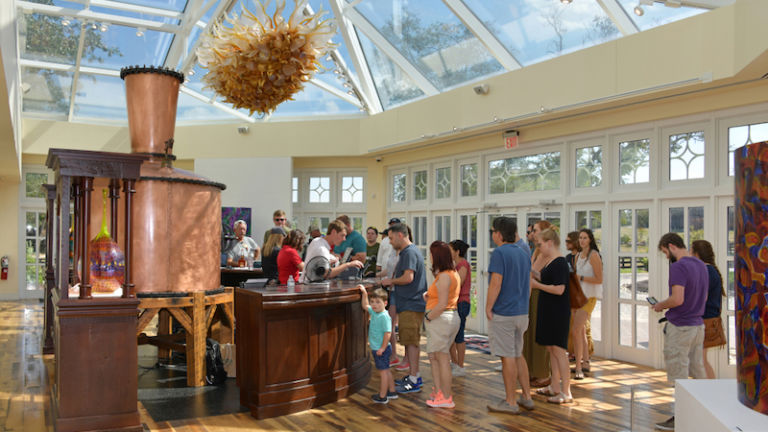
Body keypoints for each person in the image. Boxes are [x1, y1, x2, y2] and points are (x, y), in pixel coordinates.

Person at [653, 233, 708, 431]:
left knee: (680, 375)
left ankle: (682, 419)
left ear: (671, 246)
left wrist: (661, 305)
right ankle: (706, 413)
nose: (667, 257)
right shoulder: (701, 265)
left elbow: (677, 299)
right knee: (698, 370)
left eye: (666, 253)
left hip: (681, 327)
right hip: (697, 326)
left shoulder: (678, 267)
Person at [486, 217, 534, 415]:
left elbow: (496, 282)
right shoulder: (524, 253)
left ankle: (510, 401)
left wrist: (488, 307)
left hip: (504, 314)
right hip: (521, 313)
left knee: (508, 358)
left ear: (498, 233)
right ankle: (527, 397)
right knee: (517, 354)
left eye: (492, 232)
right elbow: (529, 283)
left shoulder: (499, 253)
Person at [381, 223, 427, 394]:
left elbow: (408, 277)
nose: (390, 243)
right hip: (409, 303)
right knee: (409, 341)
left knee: (412, 342)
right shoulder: (409, 251)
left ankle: (414, 378)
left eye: (392, 239)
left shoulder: (408, 252)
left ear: (400, 235)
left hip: (411, 303)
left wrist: (390, 281)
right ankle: (414, 375)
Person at [532, 228, 572, 404]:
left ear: (550, 243)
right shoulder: (551, 262)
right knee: (551, 349)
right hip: (549, 309)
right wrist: (535, 275)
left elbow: (559, 289)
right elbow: (548, 280)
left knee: (559, 351)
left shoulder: (560, 262)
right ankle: (555, 385)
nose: (539, 248)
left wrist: (536, 285)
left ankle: (566, 391)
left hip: (558, 312)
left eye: (540, 244)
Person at [423, 241, 461, 408]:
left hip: (441, 320)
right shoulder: (450, 274)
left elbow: (442, 303)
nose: (429, 257)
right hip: (447, 318)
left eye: (431, 254)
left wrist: (429, 317)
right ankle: (439, 392)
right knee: (435, 356)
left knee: (442, 357)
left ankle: (445, 397)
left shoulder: (445, 276)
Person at [690, 239, 725, 379]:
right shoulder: (710, 270)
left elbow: (701, 298)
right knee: (699, 360)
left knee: (700, 360)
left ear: (697, 254)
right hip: (708, 320)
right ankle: (705, 390)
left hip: (705, 321)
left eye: (691, 251)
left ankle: (708, 390)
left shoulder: (705, 271)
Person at [358, 285, 397, 404]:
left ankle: (382, 396)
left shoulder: (384, 316)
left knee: (383, 372)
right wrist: (364, 293)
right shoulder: (374, 312)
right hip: (378, 348)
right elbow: (365, 306)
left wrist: (382, 348)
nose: (374, 305)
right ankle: (392, 391)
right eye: (373, 302)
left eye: (378, 302)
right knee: (386, 370)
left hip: (381, 349)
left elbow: (387, 333)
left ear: (385, 303)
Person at [524, 220, 551, 388]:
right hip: (532, 294)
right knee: (531, 334)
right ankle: (533, 370)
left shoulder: (546, 252)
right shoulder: (535, 250)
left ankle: (543, 373)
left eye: (535, 230)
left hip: (540, 294)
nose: (532, 233)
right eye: (532, 231)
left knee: (540, 335)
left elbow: (543, 276)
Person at [572, 229, 602, 380]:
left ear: (590, 239)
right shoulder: (577, 256)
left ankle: (578, 368)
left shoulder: (594, 256)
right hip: (578, 296)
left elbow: (599, 279)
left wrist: (581, 277)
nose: (582, 240)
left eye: (585, 238)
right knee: (581, 330)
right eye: (580, 238)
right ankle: (585, 362)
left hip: (589, 298)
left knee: (576, 331)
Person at [449, 239, 471, 377]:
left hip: (461, 303)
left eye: (450, 250)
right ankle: (455, 363)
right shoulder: (454, 265)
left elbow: (458, 283)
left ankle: (461, 365)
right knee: (452, 336)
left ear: (457, 252)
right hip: (454, 303)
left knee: (459, 336)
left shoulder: (463, 265)